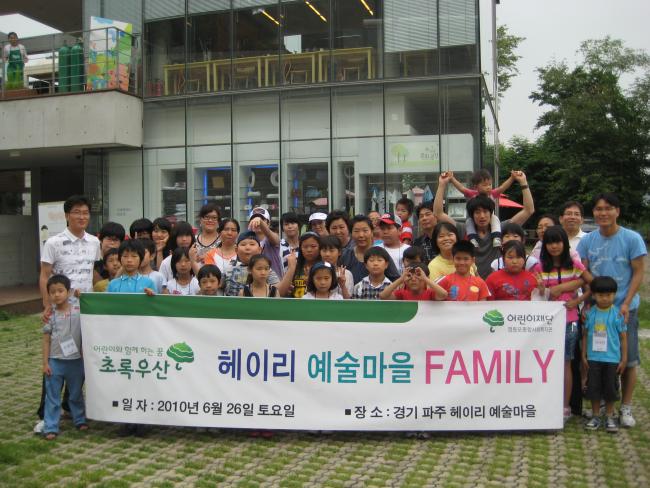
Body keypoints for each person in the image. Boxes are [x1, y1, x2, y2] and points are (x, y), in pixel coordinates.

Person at [577, 193, 647, 428]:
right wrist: (589, 301)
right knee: (596, 359)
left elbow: (638, 273)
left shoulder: (632, 239)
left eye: (608, 208)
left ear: (617, 211)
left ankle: (625, 407)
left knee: (628, 360)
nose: (603, 213)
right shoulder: (587, 241)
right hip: (596, 311)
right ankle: (599, 409)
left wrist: (625, 303)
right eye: (598, 209)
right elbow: (584, 273)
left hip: (624, 310)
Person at [36, 195, 100, 434]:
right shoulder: (54, 242)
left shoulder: (94, 242)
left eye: (85, 212)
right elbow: (45, 274)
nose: (82, 216)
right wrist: (47, 305)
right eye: (76, 212)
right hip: (60, 309)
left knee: (79, 360)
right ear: (66, 215)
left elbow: (94, 273)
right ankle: (45, 414)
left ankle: (71, 407)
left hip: (85, 312)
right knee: (55, 359)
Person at [533, 225, 592, 423]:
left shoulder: (575, 264)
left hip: (570, 320)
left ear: (564, 243)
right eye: (549, 243)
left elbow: (592, 285)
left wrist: (578, 301)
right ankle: (546, 403)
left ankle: (565, 406)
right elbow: (540, 295)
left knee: (566, 363)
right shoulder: (540, 267)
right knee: (546, 363)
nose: (554, 246)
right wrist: (542, 289)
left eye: (557, 242)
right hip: (547, 323)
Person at [434, 171, 534, 279]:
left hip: (496, 284)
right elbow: (438, 213)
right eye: (477, 212)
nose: (482, 216)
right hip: (471, 285)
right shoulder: (464, 229)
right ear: (471, 215)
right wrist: (442, 185)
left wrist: (523, 182)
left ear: (491, 213)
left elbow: (528, 211)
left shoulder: (501, 228)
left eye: (485, 212)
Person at [42, 275, 87, 440]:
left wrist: (82, 296)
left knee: (75, 394)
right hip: (55, 361)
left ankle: (80, 419)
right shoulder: (49, 315)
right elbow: (46, 340)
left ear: (68, 292)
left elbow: (91, 308)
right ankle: (51, 426)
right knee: (52, 396)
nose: (56, 295)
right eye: (52, 292)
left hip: (76, 361)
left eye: (60, 291)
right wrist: (45, 363)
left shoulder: (78, 309)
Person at [582, 276, 627, 432]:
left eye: (609, 295)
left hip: (612, 359)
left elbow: (623, 337)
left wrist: (624, 359)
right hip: (593, 358)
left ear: (614, 295)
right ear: (594, 295)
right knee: (593, 388)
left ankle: (609, 416)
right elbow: (585, 335)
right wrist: (584, 355)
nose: (605, 298)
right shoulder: (590, 314)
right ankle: (595, 416)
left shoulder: (618, 315)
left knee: (610, 388)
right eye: (601, 295)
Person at [223, 231, 281, 297]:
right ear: (236, 250)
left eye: (252, 244)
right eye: (243, 244)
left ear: (260, 250)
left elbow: (277, 291)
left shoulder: (266, 270)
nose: (247, 248)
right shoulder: (228, 269)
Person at [280, 232, 321, 298]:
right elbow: (281, 293)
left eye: (313, 246)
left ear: (320, 247)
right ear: (300, 248)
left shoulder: (323, 268)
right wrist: (291, 269)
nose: (309, 250)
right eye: (305, 247)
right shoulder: (295, 267)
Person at [380, 263, 447, 301]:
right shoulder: (402, 293)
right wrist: (401, 279)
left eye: (418, 275)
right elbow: (383, 296)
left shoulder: (430, 293)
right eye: (409, 276)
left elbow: (443, 294)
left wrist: (425, 279)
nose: (413, 279)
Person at [248, 207, 283, 278]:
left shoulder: (272, 238)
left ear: (268, 223)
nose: (257, 223)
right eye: (254, 219)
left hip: (274, 283)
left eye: (262, 219)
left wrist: (260, 222)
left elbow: (274, 238)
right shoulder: (247, 241)